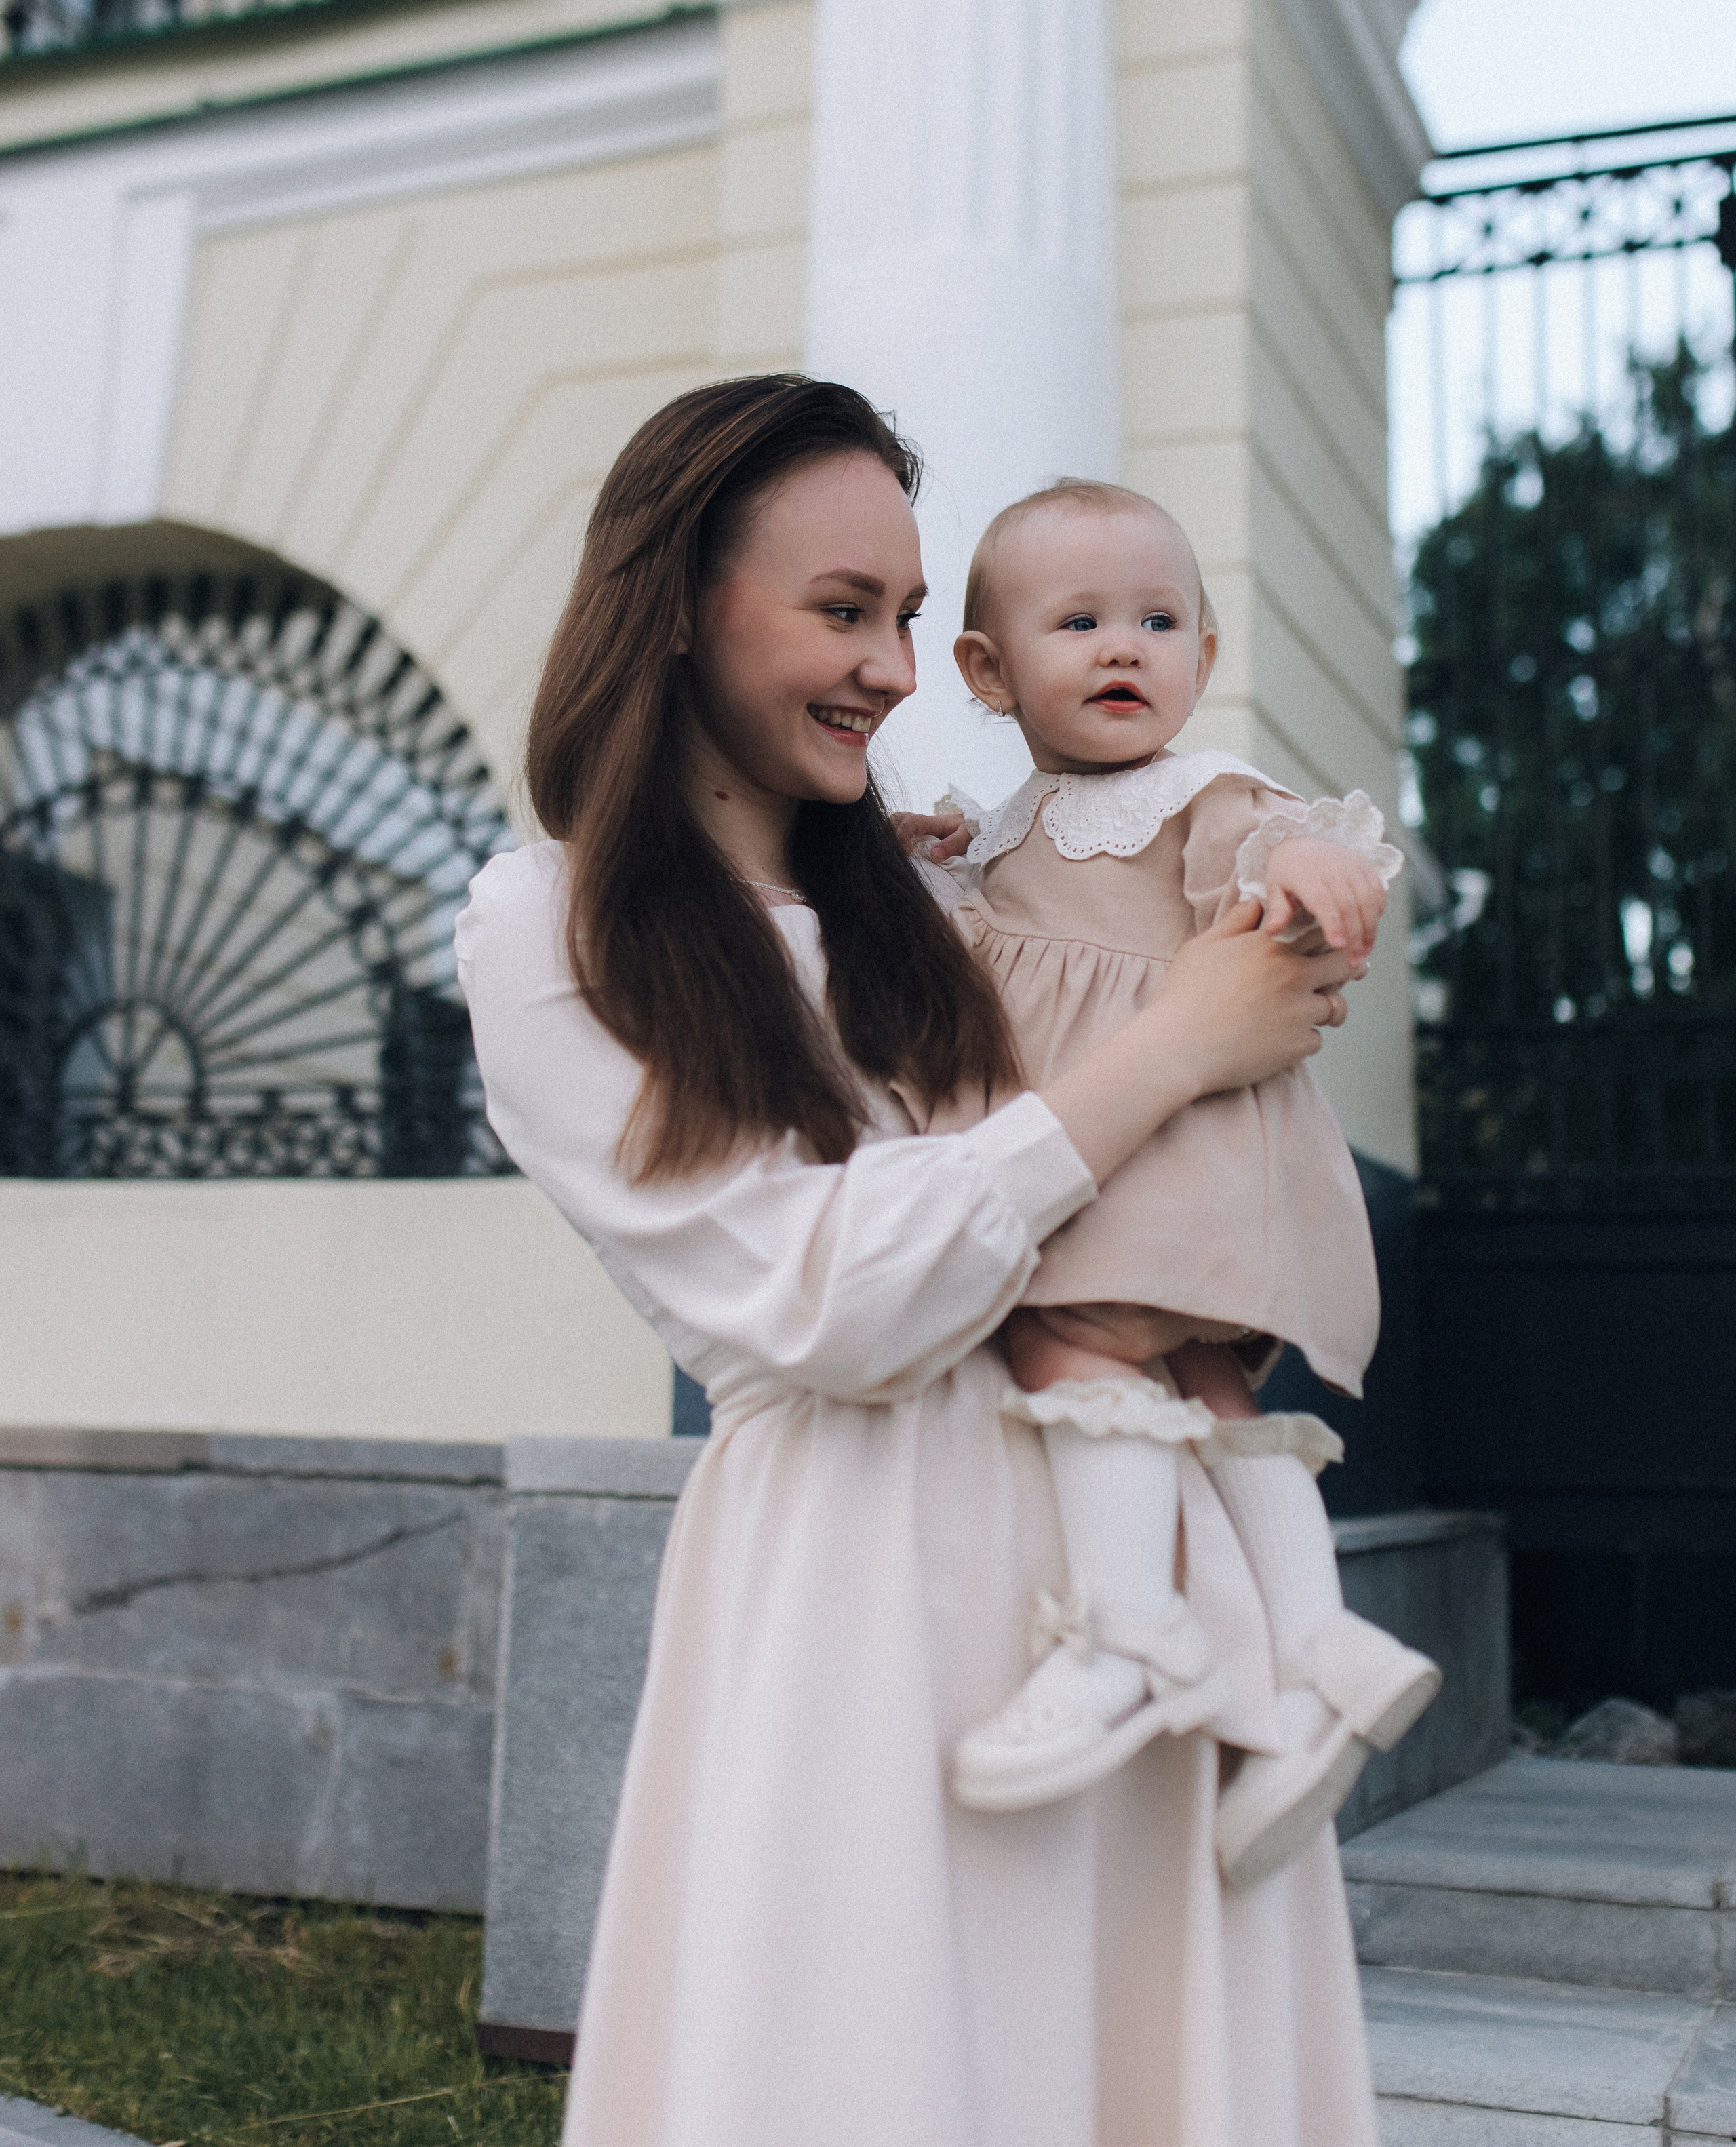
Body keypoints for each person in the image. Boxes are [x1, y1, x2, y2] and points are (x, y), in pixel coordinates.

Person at [456, 376, 1382, 2147]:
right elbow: (834, 1301)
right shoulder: (562, 927)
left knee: (1136, 2072)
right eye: (841, 610)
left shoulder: (949, 911)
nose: (890, 664)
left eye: (901, 612)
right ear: (675, 609)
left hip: (1138, 1600)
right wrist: (1171, 1046)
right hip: (868, 1597)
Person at [898, 478, 1437, 1884]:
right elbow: (976, 947)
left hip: (1173, 1145)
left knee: (1062, 1338)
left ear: (1202, 653)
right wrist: (921, 872)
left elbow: (1266, 843)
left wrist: (1312, 856)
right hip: (1128, 1148)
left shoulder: (1200, 792)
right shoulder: (1012, 824)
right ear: (984, 670)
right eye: (1076, 621)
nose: (1122, 647)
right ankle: (1318, 1649)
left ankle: (1128, 1629)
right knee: (1205, 1390)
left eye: (1158, 621)